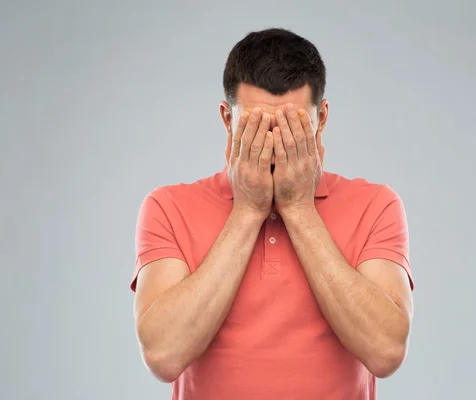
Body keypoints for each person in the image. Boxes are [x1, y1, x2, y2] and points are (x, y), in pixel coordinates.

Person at [130, 27, 414, 400]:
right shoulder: (168, 207)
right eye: (258, 127)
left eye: (293, 127)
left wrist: (299, 209)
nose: (276, 144)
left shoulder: (376, 205)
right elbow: (163, 356)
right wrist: (248, 210)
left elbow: (386, 352)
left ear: (321, 119)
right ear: (228, 120)